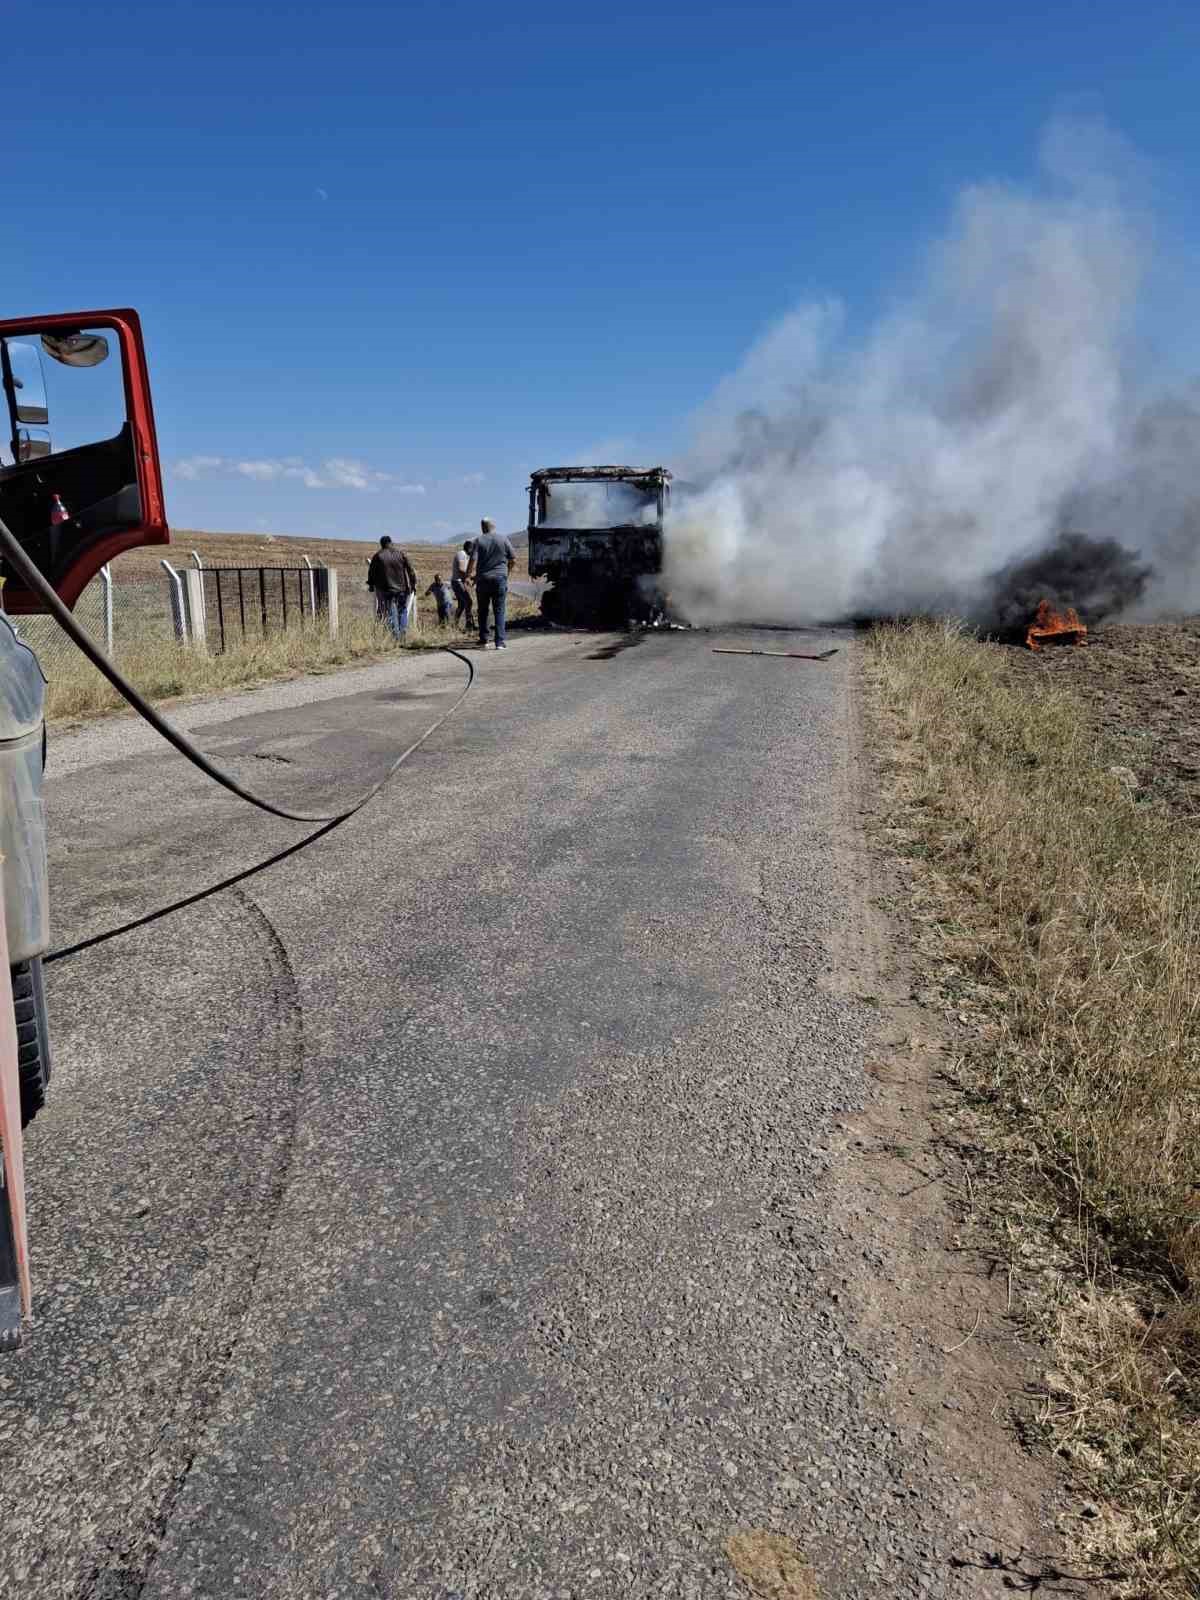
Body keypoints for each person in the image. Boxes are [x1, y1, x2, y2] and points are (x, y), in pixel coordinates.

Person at [467, 517, 515, 649]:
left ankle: (484, 640)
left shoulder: (478, 540)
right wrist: (506, 572)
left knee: (483, 610)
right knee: (499, 610)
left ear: (482, 527)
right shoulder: (503, 539)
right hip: (499, 578)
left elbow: (472, 560)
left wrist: (467, 575)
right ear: (494, 526)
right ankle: (499, 642)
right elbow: (513, 559)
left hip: (482, 580)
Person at [366, 536, 417, 640]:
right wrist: (413, 584)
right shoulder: (401, 554)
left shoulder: (378, 556)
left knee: (388, 612)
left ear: (381, 544)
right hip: (402, 589)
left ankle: (394, 637)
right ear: (391, 543)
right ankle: (403, 635)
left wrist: (371, 584)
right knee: (402, 611)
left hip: (386, 589)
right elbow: (411, 570)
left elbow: (371, 572)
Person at [451, 539, 475, 630]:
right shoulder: (461, 554)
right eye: (472, 550)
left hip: (458, 581)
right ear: (469, 548)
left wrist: (467, 579)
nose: (472, 552)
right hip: (457, 582)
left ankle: (455, 624)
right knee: (469, 602)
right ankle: (469, 625)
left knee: (461, 604)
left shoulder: (465, 555)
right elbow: (461, 569)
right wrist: (470, 576)